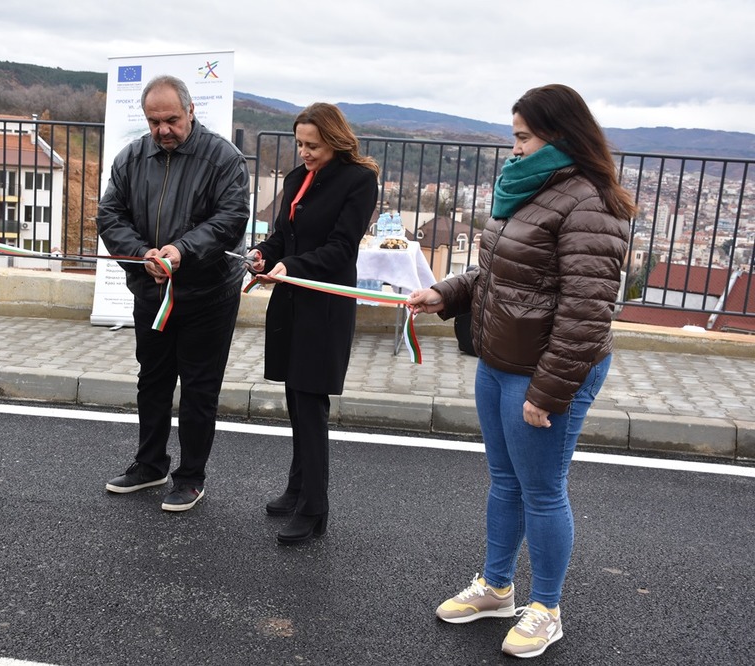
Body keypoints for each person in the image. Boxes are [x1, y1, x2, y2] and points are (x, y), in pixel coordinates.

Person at [407, 84, 634, 658]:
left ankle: (547, 608)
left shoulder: (589, 203)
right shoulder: (530, 189)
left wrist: (550, 391)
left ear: (559, 136)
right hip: (499, 359)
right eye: (515, 136)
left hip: (546, 372)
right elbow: (499, 275)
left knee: (542, 491)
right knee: (505, 482)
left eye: (523, 137)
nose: (515, 149)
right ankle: (497, 587)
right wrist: (446, 293)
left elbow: (586, 312)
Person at [97, 75, 250, 512]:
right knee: (152, 380)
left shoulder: (224, 158)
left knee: (200, 389)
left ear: (191, 111)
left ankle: (190, 476)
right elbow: (110, 215)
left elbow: (231, 219)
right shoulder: (131, 157)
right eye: (154, 121)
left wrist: (183, 251)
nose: (163, 129)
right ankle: (150, 465)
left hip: (208, 293)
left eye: (171, 120)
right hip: (151, 288)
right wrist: (141, 253)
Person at [247, 103, 379, 544]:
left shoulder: (359, 181)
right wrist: (264, 253)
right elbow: (283, 234)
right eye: (300, 144)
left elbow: (342, 248)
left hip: (324, 303)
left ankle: (315, 507)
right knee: (294, 398)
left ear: (335, 140)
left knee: (311, 403)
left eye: (313, 145)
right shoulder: (294, 178)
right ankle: (297, 486)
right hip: (290, 300)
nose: (304, 152)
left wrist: (290, 266)